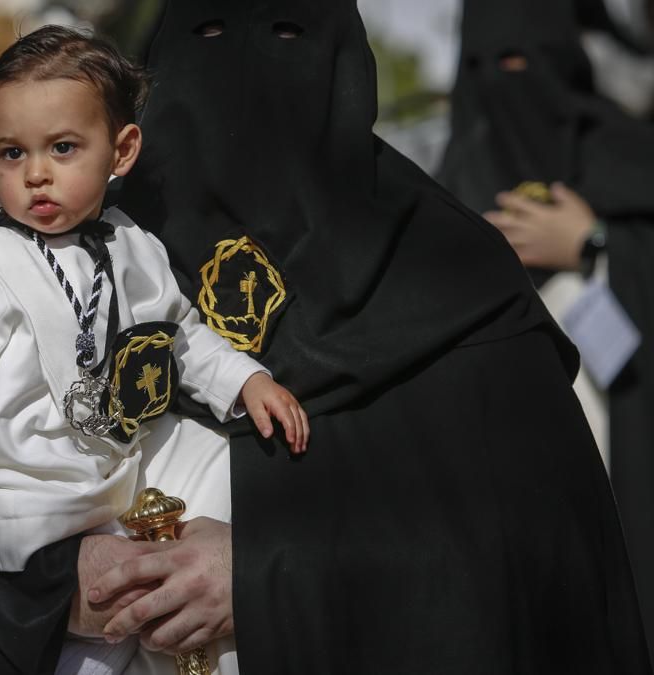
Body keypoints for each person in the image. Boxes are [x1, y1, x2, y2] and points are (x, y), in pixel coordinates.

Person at [95, 0, 650, 672]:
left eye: (289, 35)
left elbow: (544, 563)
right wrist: (78, 578)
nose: (247, 69)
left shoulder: (459, 286)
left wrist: (272, 580)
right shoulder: (66, 264)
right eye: (206, 35)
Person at [0, 24, 306, 674]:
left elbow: (180, 332)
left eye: (62, 147)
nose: (38, 175)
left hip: (116, 478)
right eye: (12, 154)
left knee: (220, 477)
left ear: (122, 149)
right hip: (27, 503)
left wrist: (245, 380)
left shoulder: (133, 244)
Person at [438, 0, 654, 661]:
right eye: (487, 66)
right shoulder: (443, 191)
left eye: (523, 63)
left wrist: (596, 243)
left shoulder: (633, 163)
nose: (508, 82)